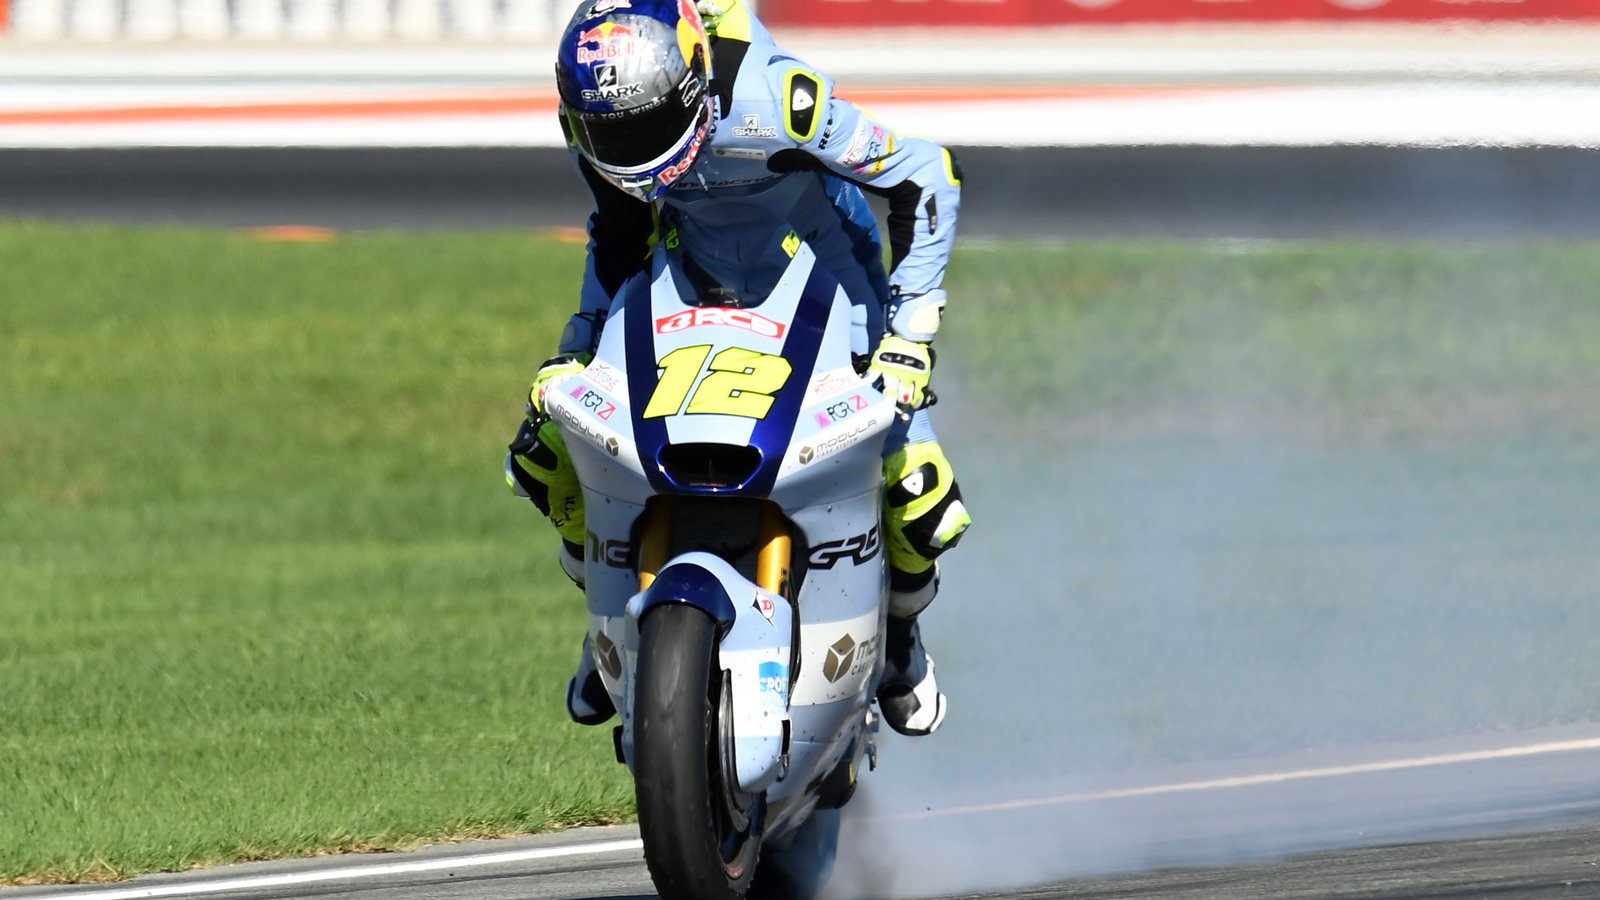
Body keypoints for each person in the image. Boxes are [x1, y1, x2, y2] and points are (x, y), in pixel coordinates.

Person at [505, 0, 971, 737]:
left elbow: (926, 173)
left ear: (695, 81)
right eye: (609, 133)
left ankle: (899, 640)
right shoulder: (591, 120)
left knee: (921, 495)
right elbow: (619, 231)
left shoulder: (779, 99)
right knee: (551, 448)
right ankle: (612, 629)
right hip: (685, 278)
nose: (629, 149)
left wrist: (910, 334)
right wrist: (579, 345)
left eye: (647, 125)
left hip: (824, 283)